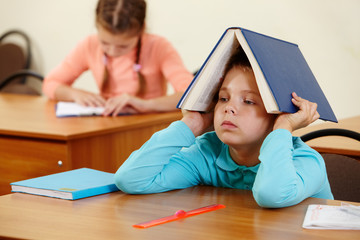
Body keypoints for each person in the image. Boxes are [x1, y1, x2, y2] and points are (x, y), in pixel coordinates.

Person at [114, 46, 334, 208]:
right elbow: (131, 179)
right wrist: (191, 124)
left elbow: (272, 194)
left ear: (277, 114)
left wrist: (284, 127)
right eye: (223, 98)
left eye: (248, 101)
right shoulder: (207, 153)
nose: (229, 109)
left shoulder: (306, 161)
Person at [42, 0, 193, 116]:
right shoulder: (90, 45)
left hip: (148, 128)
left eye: (123, 46)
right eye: (105, 43)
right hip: (108, 127)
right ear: (97, 27)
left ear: (142, 30)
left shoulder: (159, 46)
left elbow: (190, 94)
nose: (113, 51)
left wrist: (145, 105)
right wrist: (75, 94)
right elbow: (50, 84)